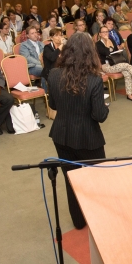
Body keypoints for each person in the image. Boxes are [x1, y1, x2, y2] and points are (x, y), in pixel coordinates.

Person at [47, 33, 109, 229]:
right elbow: (100, 115)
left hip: (61, 134)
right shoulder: (94, 80)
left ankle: (79, 221)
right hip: (87, 137)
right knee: (97, 179)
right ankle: (98, 218)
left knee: (71, 179)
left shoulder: (54, 74)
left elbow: (53, 105)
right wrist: (105, 105)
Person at [96, 25, 132, 102]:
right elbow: (107, 52)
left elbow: (115, 52)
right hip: (106, 66)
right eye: (103, 32)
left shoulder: (112, 40)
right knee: (127, 65)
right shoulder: (98, 44)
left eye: (107, 31)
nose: (106, 33)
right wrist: (107, 41)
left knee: (127, 73)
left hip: (116, 63)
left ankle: (129, 94)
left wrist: (116, 49)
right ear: (100, 34)